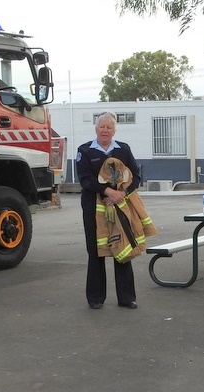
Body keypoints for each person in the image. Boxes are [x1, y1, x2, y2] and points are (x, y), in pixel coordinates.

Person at [76, 112, 142, 310]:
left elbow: (136, 176)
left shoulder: (123, 150)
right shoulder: (85, 151)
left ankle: (127, 297)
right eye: (102, 127)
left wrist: (121, 193)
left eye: (109, 127)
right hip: (92, 208)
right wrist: (107, 191)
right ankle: (95, 298)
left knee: (122, 248)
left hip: (120, 207)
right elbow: (85, 179)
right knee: (95, 250)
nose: (105, 130)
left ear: (114, 130)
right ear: (96, 129)